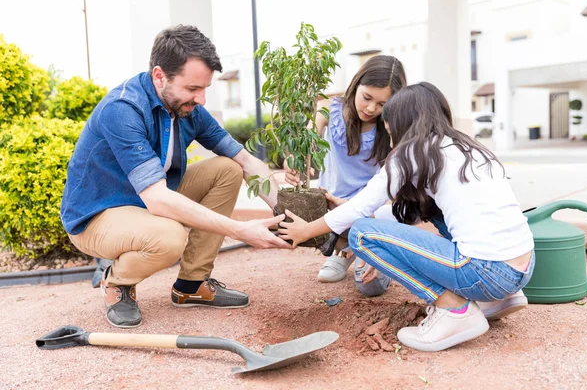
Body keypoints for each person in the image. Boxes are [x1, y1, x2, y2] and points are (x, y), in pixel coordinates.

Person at [60, 24, 290, 329]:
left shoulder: (187, 108)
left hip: (145, 204)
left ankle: (191, 285)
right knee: (170, 237)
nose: (202, 99)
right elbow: (157, 199)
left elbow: (247, 161)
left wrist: (287, 216)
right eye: (193, 89)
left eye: (205, 88)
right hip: (98, 216)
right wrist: (240, 230)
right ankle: (117, 282)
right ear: (159, 76)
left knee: (227, 169)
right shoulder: (123, 109)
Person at [278, 82, 535, 352]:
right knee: (431, 208)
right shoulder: (463, 147)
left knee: (362, 234)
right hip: (522, 267)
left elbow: (361, 211)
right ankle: (502, 298)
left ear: (401, 126)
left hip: (484, 272)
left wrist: (305, 231)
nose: (390, 142)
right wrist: (347, 205)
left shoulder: (409, 153)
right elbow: (402, 212)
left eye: (390, 133)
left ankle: (455, 311)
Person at [284, 55, 407, 295]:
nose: (371, 109)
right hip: (332, 206)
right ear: (355, 85)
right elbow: (306, 143)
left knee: (369, 287)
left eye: (382, 104)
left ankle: (373, 251)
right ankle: (345, 248)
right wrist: (294, 162)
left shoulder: (392, 128)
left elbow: (395, 190)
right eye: (367, 98)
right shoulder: (329, 108)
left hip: (370, 212)